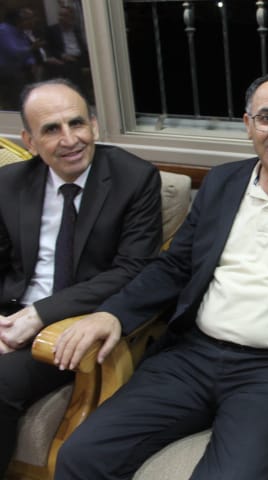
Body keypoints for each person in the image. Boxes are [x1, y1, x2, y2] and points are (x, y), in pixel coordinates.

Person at [54, 72, 268, 479]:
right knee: (81, 456)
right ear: (248, 124)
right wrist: (113, 313)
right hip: (191, 357)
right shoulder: (222, 181)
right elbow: (175, 266)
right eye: (267, 118)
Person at [0, 78, 163, 474]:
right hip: (9, 314)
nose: (70, 139)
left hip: (70, 328)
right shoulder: (9, 183)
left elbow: (133, 269)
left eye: (77, 123)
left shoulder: (134, 178)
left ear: (94, 124)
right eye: (51, 129)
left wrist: (40, 314)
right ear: (30, 141)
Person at [0, 8, 37, 109]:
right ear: (18, 20)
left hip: (20, 67)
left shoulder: (21, 31)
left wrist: (31, 62)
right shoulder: (3, 30)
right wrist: (32, 48)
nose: (31, 21)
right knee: (18, 80)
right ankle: (17, 108)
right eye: (27, 19)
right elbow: (14, 52)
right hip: (6, 69)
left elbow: (27, 51)